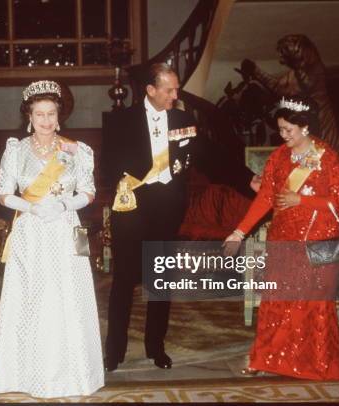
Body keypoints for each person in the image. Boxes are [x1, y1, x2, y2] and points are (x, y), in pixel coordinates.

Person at [101, 63, 255, 372]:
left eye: (176, 89)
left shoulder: (184, 119)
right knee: (124, 280)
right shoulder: (120, 121)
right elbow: (107, 164)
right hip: (131, 208)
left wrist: (247, 179)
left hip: (167, 209)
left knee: (160, 280)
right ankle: (113, 352)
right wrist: (121, 181)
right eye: (169, 90)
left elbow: (212, 156)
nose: (175, 95)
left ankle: (155, 348)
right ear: (151, 90)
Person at [0, 80, 104, 398]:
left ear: (59, 115)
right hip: (31, 230)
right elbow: (3, 194)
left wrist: (65, 204)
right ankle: (25, 373)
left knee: (69, 294)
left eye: (51, 114)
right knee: (31, 296)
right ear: (29, 115)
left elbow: (88, 192)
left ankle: (75, 372)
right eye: (40, 114)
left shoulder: (76, 150)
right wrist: (32, 207)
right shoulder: (16, 149)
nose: (46, 121)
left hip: (67, 228)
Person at [223, 95, 339, 380]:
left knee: (311, 303)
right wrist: (239, 231)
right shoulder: (279, 157)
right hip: (283, 239)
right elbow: (266, 197)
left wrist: (301, 201)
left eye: (288, 130)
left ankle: (316, 365)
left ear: (304, 127)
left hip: (317, 240)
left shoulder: (326, 157)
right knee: (276, 302)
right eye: (280, 129)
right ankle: (264, 359)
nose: (283, 135)